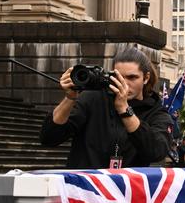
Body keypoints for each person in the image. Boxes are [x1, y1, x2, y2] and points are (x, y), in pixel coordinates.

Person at [40, 48, 173, 168]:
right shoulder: (93, 98)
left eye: (132, 77)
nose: (124, 83)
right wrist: (70, 98)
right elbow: (49, 137)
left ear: (146, 78)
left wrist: (124, 110)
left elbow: (156, 151)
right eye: (118, 77)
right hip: (85, 188)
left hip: (128, 189)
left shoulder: (156, 112)